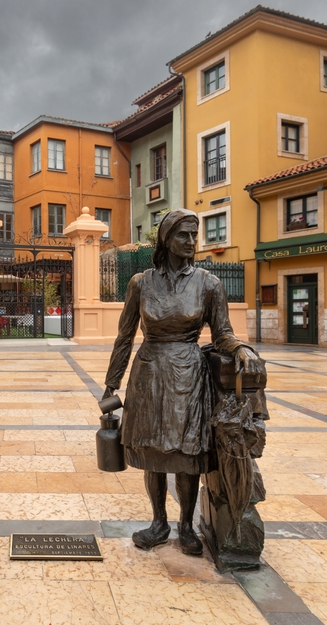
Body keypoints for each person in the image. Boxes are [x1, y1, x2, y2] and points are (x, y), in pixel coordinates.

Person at [102, 209, 261, 555]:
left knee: (187, 451)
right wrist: (111, 383)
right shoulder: (141, 283)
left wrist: (240, 349)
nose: (191, 242)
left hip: (189, 373)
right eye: (183, 235)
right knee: (153, 451)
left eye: (194, 235)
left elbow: (222, 333)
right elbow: (124, 337)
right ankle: (158, 522)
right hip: (148, 374)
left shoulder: (209, 283)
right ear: (166, 239)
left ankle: (186, 526)